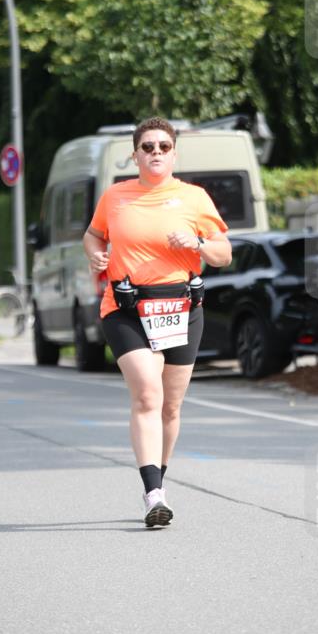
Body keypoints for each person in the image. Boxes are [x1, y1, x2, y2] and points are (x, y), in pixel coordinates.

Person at [83, 117, 232, 528]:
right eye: (148, 147)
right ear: (134, 154)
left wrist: (198, 242)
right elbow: (94, 235)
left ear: (174, 153)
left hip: (181, 309)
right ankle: (153, 495)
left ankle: (158, 483)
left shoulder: (194, 198)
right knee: (147, 394)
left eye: (163, 147)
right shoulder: (115, 197)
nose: (156, 154)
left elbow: (224, 254)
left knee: (170, 405)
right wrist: (94, 254)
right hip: (126, 308)